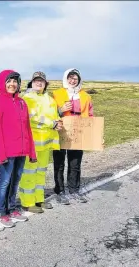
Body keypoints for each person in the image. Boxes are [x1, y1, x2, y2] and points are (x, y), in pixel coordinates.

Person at [0, 70, 37, 228]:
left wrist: (32, 151)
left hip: (21, 151)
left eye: (15, 81)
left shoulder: (22, 103)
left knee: (15, 181)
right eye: (9, 81)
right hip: (6, 152)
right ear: (3, 83)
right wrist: (0, 154)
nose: (12, 84)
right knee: (4, 182)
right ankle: (0, 212)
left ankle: (11, 208)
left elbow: (27, 129)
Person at [19, 71, 63, 213]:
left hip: (46, 143)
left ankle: (39, 199)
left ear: (45, 83)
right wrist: (52, 123)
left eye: (42, 81)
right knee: (29, 173)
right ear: (31, 83)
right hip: (32, 143)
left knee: (41, 172)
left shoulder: (50, 99)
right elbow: (32, 118)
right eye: (36, 80)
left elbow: (55, 117)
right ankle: (27, 202)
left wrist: (59, 123)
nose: (39, 83)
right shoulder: (27, 98)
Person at [52, 68, 94, 204]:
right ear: (65, 78)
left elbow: (90, 116)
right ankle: (60, 191)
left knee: (75, 163)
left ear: (79, 80)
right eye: (70, 77)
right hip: (60, 131)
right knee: (59, 163)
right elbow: (50, 113)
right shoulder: (56, 94)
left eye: (75, 78)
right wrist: (60, 110)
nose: (72, 80)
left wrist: (94, 134)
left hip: (78, 132)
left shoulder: (86, 96)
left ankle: (74, 190)